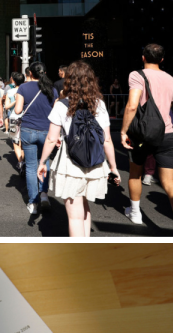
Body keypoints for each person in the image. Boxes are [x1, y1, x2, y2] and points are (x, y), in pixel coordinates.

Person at [37, 61, 121, 237]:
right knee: (85, 207)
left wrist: (42, 162)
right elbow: (107, 140)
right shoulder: (99, 104)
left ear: (69, 81)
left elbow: (52, 138)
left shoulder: (62, 105)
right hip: (95, 162)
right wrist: (113, 168)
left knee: (74, 215)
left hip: (71, 163)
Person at [120, 43, 173, 234]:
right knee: (170, 183)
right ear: (162, 60)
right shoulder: (172, 80)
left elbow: (132, 105)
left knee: (135, 173)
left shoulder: (137, 75)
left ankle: (135, 213)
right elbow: (167, 109)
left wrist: (123, 132)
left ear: (143, 57)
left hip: (142, 134)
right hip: (167, 133)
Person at [15, 62, 58, 215]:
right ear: (44, 73)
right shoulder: (52, 89)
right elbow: (56, 111)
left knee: (32, 166)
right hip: (47, 131)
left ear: (30, 73)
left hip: (28, 130)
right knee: (44, 163)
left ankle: (33, 202)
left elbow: (18, 109)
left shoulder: (23, 88)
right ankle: (44, 195)